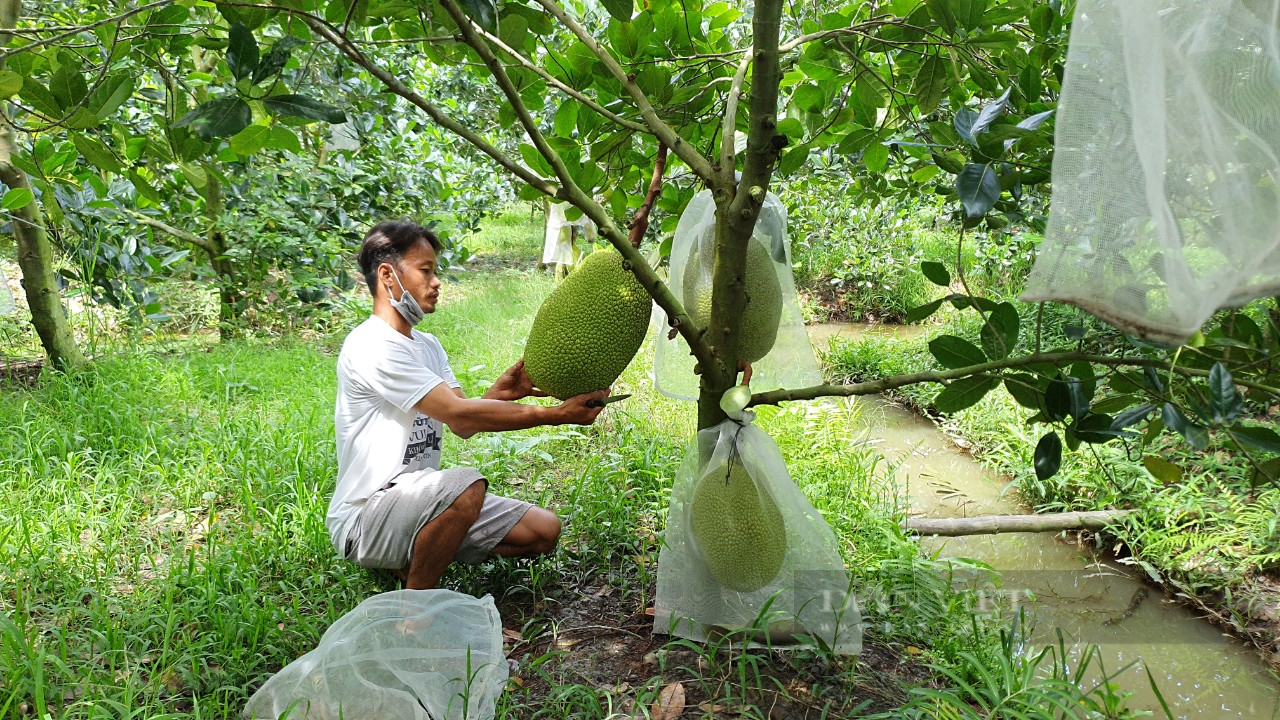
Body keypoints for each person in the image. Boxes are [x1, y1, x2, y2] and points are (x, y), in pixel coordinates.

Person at [330, 221, 609, 590]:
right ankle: (417, 606)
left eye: (436, 271)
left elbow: (463, 421)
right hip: (367, 517)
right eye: (425, 270)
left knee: (543, 531)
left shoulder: (428, 346)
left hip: (422, 500)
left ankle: (419, 552)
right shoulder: (371, 346)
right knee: (466, 485)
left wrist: (502, 394)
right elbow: (459, 413)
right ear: (387, 275)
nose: (436, 282)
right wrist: (555, 417)